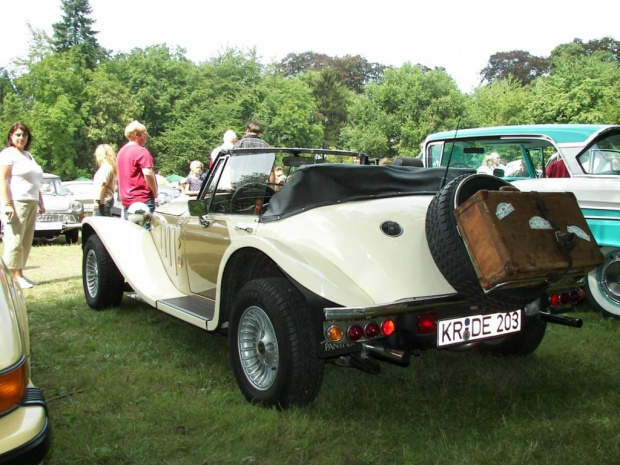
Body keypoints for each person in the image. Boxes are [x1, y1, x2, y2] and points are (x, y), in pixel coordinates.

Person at [0, 123, 45, 289]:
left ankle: (19, 274)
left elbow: (35, 181)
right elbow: (2, 180)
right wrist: (7, 204)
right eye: (17, 134)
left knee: (26, 240)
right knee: (15, 239)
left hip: (31, 201)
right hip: (16, 201)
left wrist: (40, 200)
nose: (21, 138)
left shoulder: (28, 155)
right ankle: (11, 277)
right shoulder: (8, 154)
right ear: (11, 136)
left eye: (24, 135)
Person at [116, 121, 158, 220]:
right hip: (142, 200)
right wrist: (155, 192)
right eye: (145, 134)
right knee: (144, 232)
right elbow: (148, 173)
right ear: (137, 135)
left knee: (131, 232)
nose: (146, 137)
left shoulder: (121, 152)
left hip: (126, 200)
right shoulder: (141, 151)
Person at [92, 144, 117, 216]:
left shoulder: (106, 167)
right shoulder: (109, 166)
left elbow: (102, 184)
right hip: (105, 201)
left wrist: (97, 201)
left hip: (103, 203)